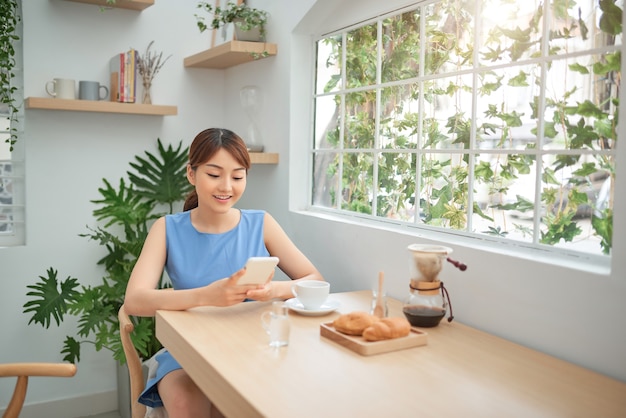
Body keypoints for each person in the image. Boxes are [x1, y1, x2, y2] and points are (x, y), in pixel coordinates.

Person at [123, 128, 325, 418]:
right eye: (214, 175)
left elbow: (314, 279)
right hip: (188, 354)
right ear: (192, 174)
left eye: (237, 176)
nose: (226, 187)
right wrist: (208, 296)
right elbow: (134, 300)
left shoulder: (261, 223)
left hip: (252, 349)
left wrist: (273, 291)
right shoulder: (166, 228)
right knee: (186, 405)